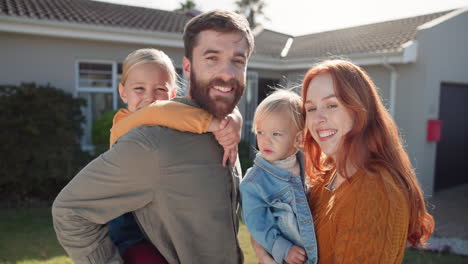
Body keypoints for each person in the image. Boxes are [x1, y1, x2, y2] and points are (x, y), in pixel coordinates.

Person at [52, 10, 254, 264]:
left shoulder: (225, 130)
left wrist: (231, 118)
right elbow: (69, 211)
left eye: (238, 60)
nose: (227, 73)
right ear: (188, 67)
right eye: (212, 58)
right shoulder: (151, 143)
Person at [106, 48, 242, 263]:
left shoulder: (174, 118)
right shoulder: (122, 124)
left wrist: (233, 117)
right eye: (139, 88)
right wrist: (216, 124)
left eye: (160, 89)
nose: (150, 97)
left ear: (173, 93)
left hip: (162, 217)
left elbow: (207, 105)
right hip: (128, 224)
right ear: (123, 92)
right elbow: (157, 111)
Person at [301, 59, 434, 263]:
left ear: (358, 110)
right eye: (311, 108)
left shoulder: (376, 191)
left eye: (331, 105)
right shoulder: (331, 173)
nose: (318, 118)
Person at [240, 90, 318, 264]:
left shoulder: (310, 167)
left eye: (276, 134)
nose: (266, 140)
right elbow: (257, 225)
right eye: (260, 132)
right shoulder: (255, 182)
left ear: (298, 139)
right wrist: (284, 248)